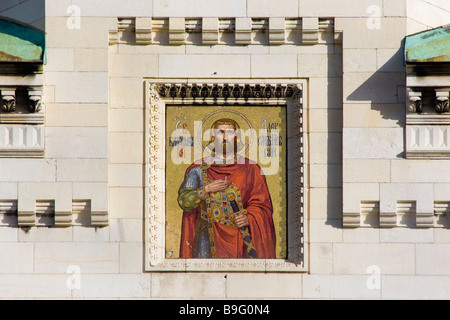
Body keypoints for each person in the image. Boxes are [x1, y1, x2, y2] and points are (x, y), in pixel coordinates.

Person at [177, 118, 276, 259]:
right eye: (220, 132)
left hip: (241, 240)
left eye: (230, 132)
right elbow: (183, 202)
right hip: (207, 238)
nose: (225, 137)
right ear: (212, 137)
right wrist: (205, 190)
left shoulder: (250, 169)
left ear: (236, 137)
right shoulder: (197, 169)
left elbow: (262, 205)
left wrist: (249, 218)